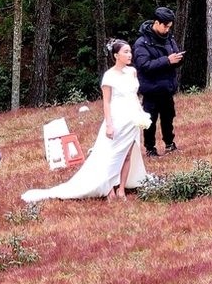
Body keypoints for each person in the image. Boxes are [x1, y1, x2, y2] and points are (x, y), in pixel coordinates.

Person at [21, 40, 148, 202]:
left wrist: (141, 113)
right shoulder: (109, 76)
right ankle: (108, 189)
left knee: (128, 154)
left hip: (132, 119)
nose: (129, 55)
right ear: (116, 55)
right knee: (111, 155)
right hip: (117, 119)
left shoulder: (132, 72)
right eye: (125, 52)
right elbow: (107, 102)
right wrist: (109, 124)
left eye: (130, 51)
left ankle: (121, 189)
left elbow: (134, 95)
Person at [133, 7, 184, 158]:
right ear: (157, 23)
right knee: (150, 121)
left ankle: (170, 144)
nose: (168, 29)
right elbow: (144, 66)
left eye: (170, 26)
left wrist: (177, 60)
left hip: (167, 88)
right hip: (151, 90)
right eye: (166, 26)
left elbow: (174, 57)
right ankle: (150, 148)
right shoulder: (141, 43)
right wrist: (167, 60)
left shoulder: (169, 38)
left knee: (168, 118)